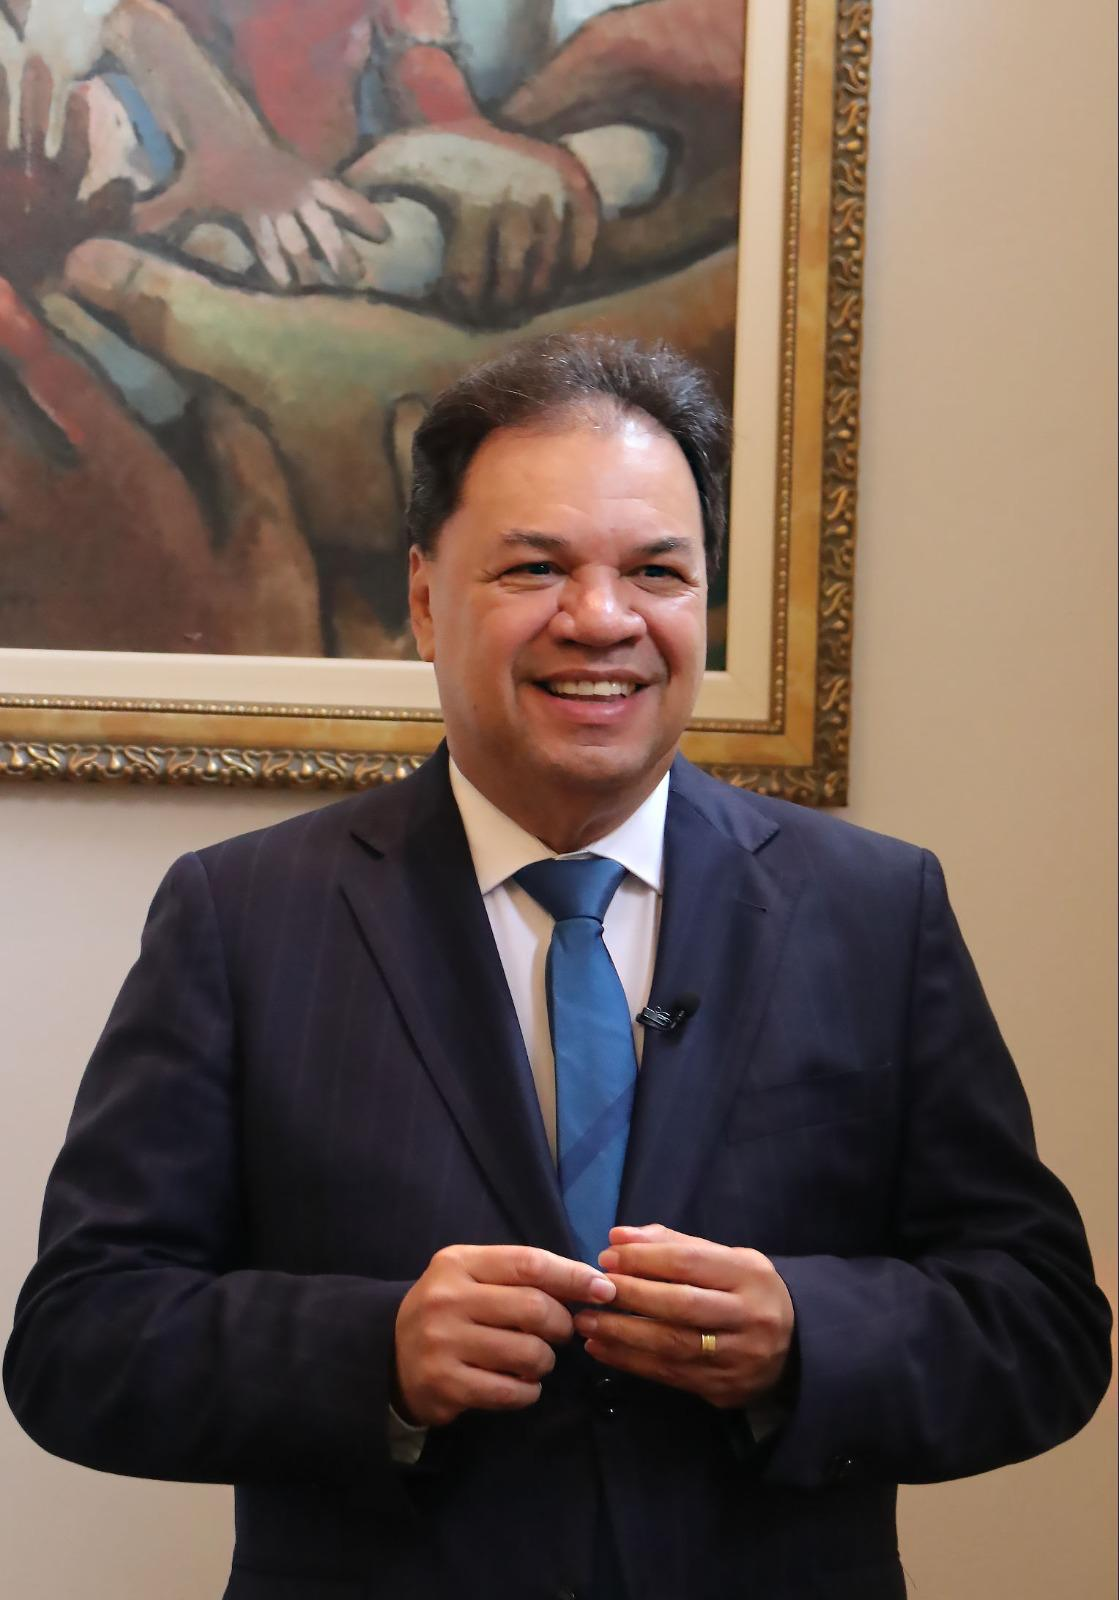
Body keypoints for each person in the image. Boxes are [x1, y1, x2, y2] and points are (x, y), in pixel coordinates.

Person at [4, 334, 1111, 1600]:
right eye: (535, 567)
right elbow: (78, 1340)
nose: (601, 619)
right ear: (426, 597)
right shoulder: (243, 915)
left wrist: (805, 1337)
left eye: (657, 571)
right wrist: (374, 1351)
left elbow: (1042, 1322)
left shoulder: (874, 910)